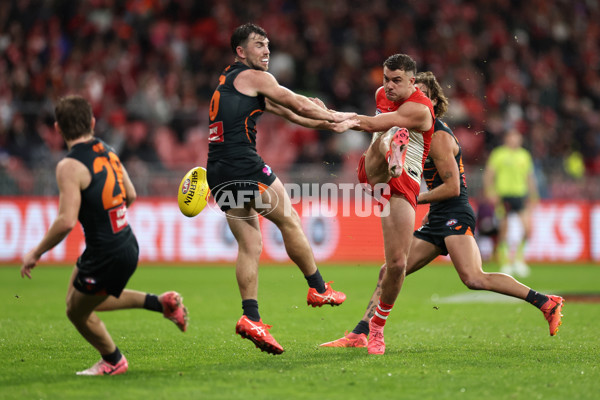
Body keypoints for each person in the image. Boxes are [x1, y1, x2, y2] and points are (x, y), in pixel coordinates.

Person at [319, 72, 564, 352]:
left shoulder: (438, 136)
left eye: (421, 95)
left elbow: (453, 188)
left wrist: (414, 198)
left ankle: (545, 302)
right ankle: (361, 332)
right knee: (390, 270)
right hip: (437, 216)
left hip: (454, 213)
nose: (415, 100)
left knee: (474, 277)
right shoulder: (417, 131)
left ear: (433, 101)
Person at [206, 23, 358, 355]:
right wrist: (337, 115)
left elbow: (295, 115)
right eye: (259, 45)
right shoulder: (255, 77)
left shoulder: (234, 84)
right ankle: (318, 288)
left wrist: (328, 122)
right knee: (289, 219)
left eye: (269, 46)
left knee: (250, 244)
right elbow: (299, 104)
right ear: (241, 52)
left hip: (218, 171)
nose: (266, 51)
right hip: (243, 164)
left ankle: (251, 317)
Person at [20, 95, 188, 376]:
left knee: (76, 311)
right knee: (80, 295)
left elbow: (65, 221)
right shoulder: (107, 149)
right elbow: (130, 194)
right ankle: (162, 303)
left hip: (105, 250)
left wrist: (35, 252)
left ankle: (113, 360)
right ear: (93, 123)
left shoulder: (69, 166)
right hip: (124, 241)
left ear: (58, 128)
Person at [344, 54, 435, 355]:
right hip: (376, 171)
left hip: (404, 182)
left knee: (397, 264)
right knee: (388, 134)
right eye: (386, 79)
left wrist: (333, 117)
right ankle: (391, 148)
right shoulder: (381, 95)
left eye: (397, 80)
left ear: (413, 81)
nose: (389, 86)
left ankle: (377, 328)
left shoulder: (421, 109)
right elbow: (375, 124)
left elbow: (370, 121)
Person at [483, 128, 539, 277]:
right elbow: (489, 174)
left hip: (520, 195)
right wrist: (490, 192)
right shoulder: (499, 154)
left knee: (528, 229)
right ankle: (506, 261)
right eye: (512, 137)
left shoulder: (524, 155)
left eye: (517, 137)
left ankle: (519, 259)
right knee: (504, 229)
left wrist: (533, 195)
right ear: (506, 139)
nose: (514, 140)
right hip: (504, 195)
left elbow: (529, 176)